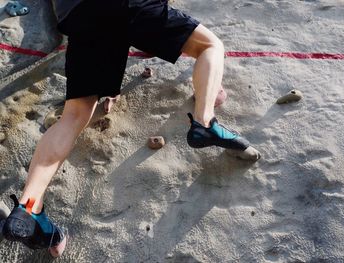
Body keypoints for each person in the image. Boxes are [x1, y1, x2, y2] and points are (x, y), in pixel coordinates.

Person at [1, 0, 260, 257]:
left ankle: (29, 206)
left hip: (80, 15)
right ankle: (205, 122)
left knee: (74, 115)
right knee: (210, 45)